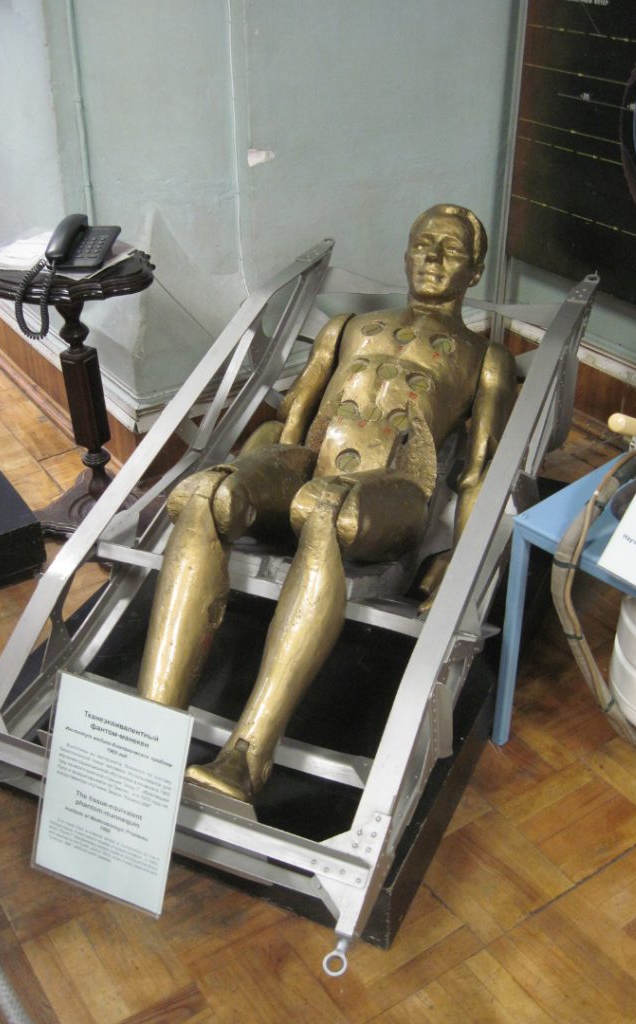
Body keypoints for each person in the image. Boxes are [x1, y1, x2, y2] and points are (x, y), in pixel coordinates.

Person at [137, 204, 516, 802]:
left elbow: (478, 472)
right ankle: (146, 733)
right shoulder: (348, 329)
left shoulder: (485, 358)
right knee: (203, 493)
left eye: (451, 250)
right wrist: (246, 478)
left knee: (324, 506)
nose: (432, 258)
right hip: (310, 463)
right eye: (422, 244)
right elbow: (289, 422)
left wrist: (458, 561)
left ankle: (247, 756)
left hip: (395, 490)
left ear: (476, 271)